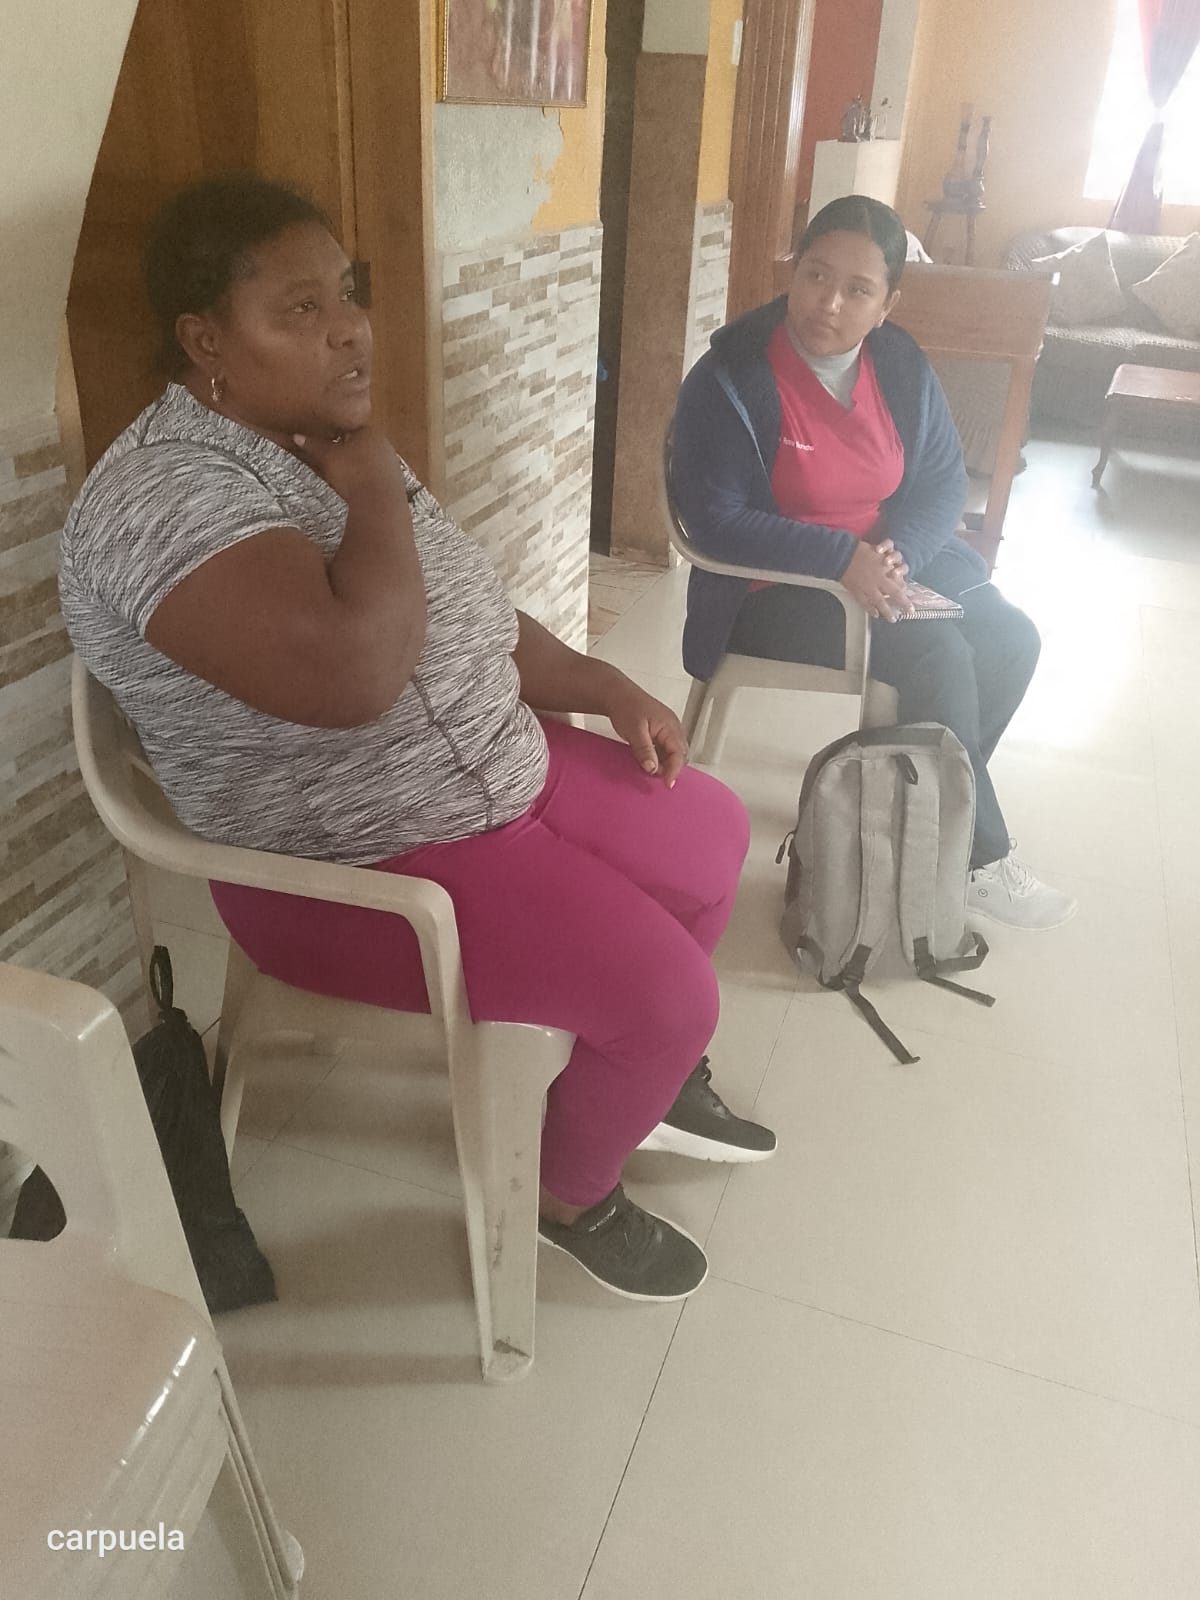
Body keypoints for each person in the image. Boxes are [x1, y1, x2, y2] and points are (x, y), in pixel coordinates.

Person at [59, 175, 777, 1306]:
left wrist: (600, 682)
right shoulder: (164, 496)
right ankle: (567, 1194)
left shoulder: (316, 433)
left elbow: (469, 613)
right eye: (300, 310)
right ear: (205, 341)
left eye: (346, 293)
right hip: (354, 864)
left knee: (710, 831)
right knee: (672, 998)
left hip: (492, 769)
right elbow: (356, 674)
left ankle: (638, 1081)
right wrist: (371, 485)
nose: (350, 328)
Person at [671, 194, 1075, 931]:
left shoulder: (898, 362)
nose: (829, 303)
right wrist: (840, 558)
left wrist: (899, 554)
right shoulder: (731, 375)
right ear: (793, 271)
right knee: (938, 656)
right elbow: (714, 520)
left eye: (858, 289)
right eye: (816, 275)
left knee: (1012, 639)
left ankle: (913, 821)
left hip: (887, 556)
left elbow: (942, 481)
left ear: (887, 304)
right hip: (774, 586)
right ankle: (973, 857)